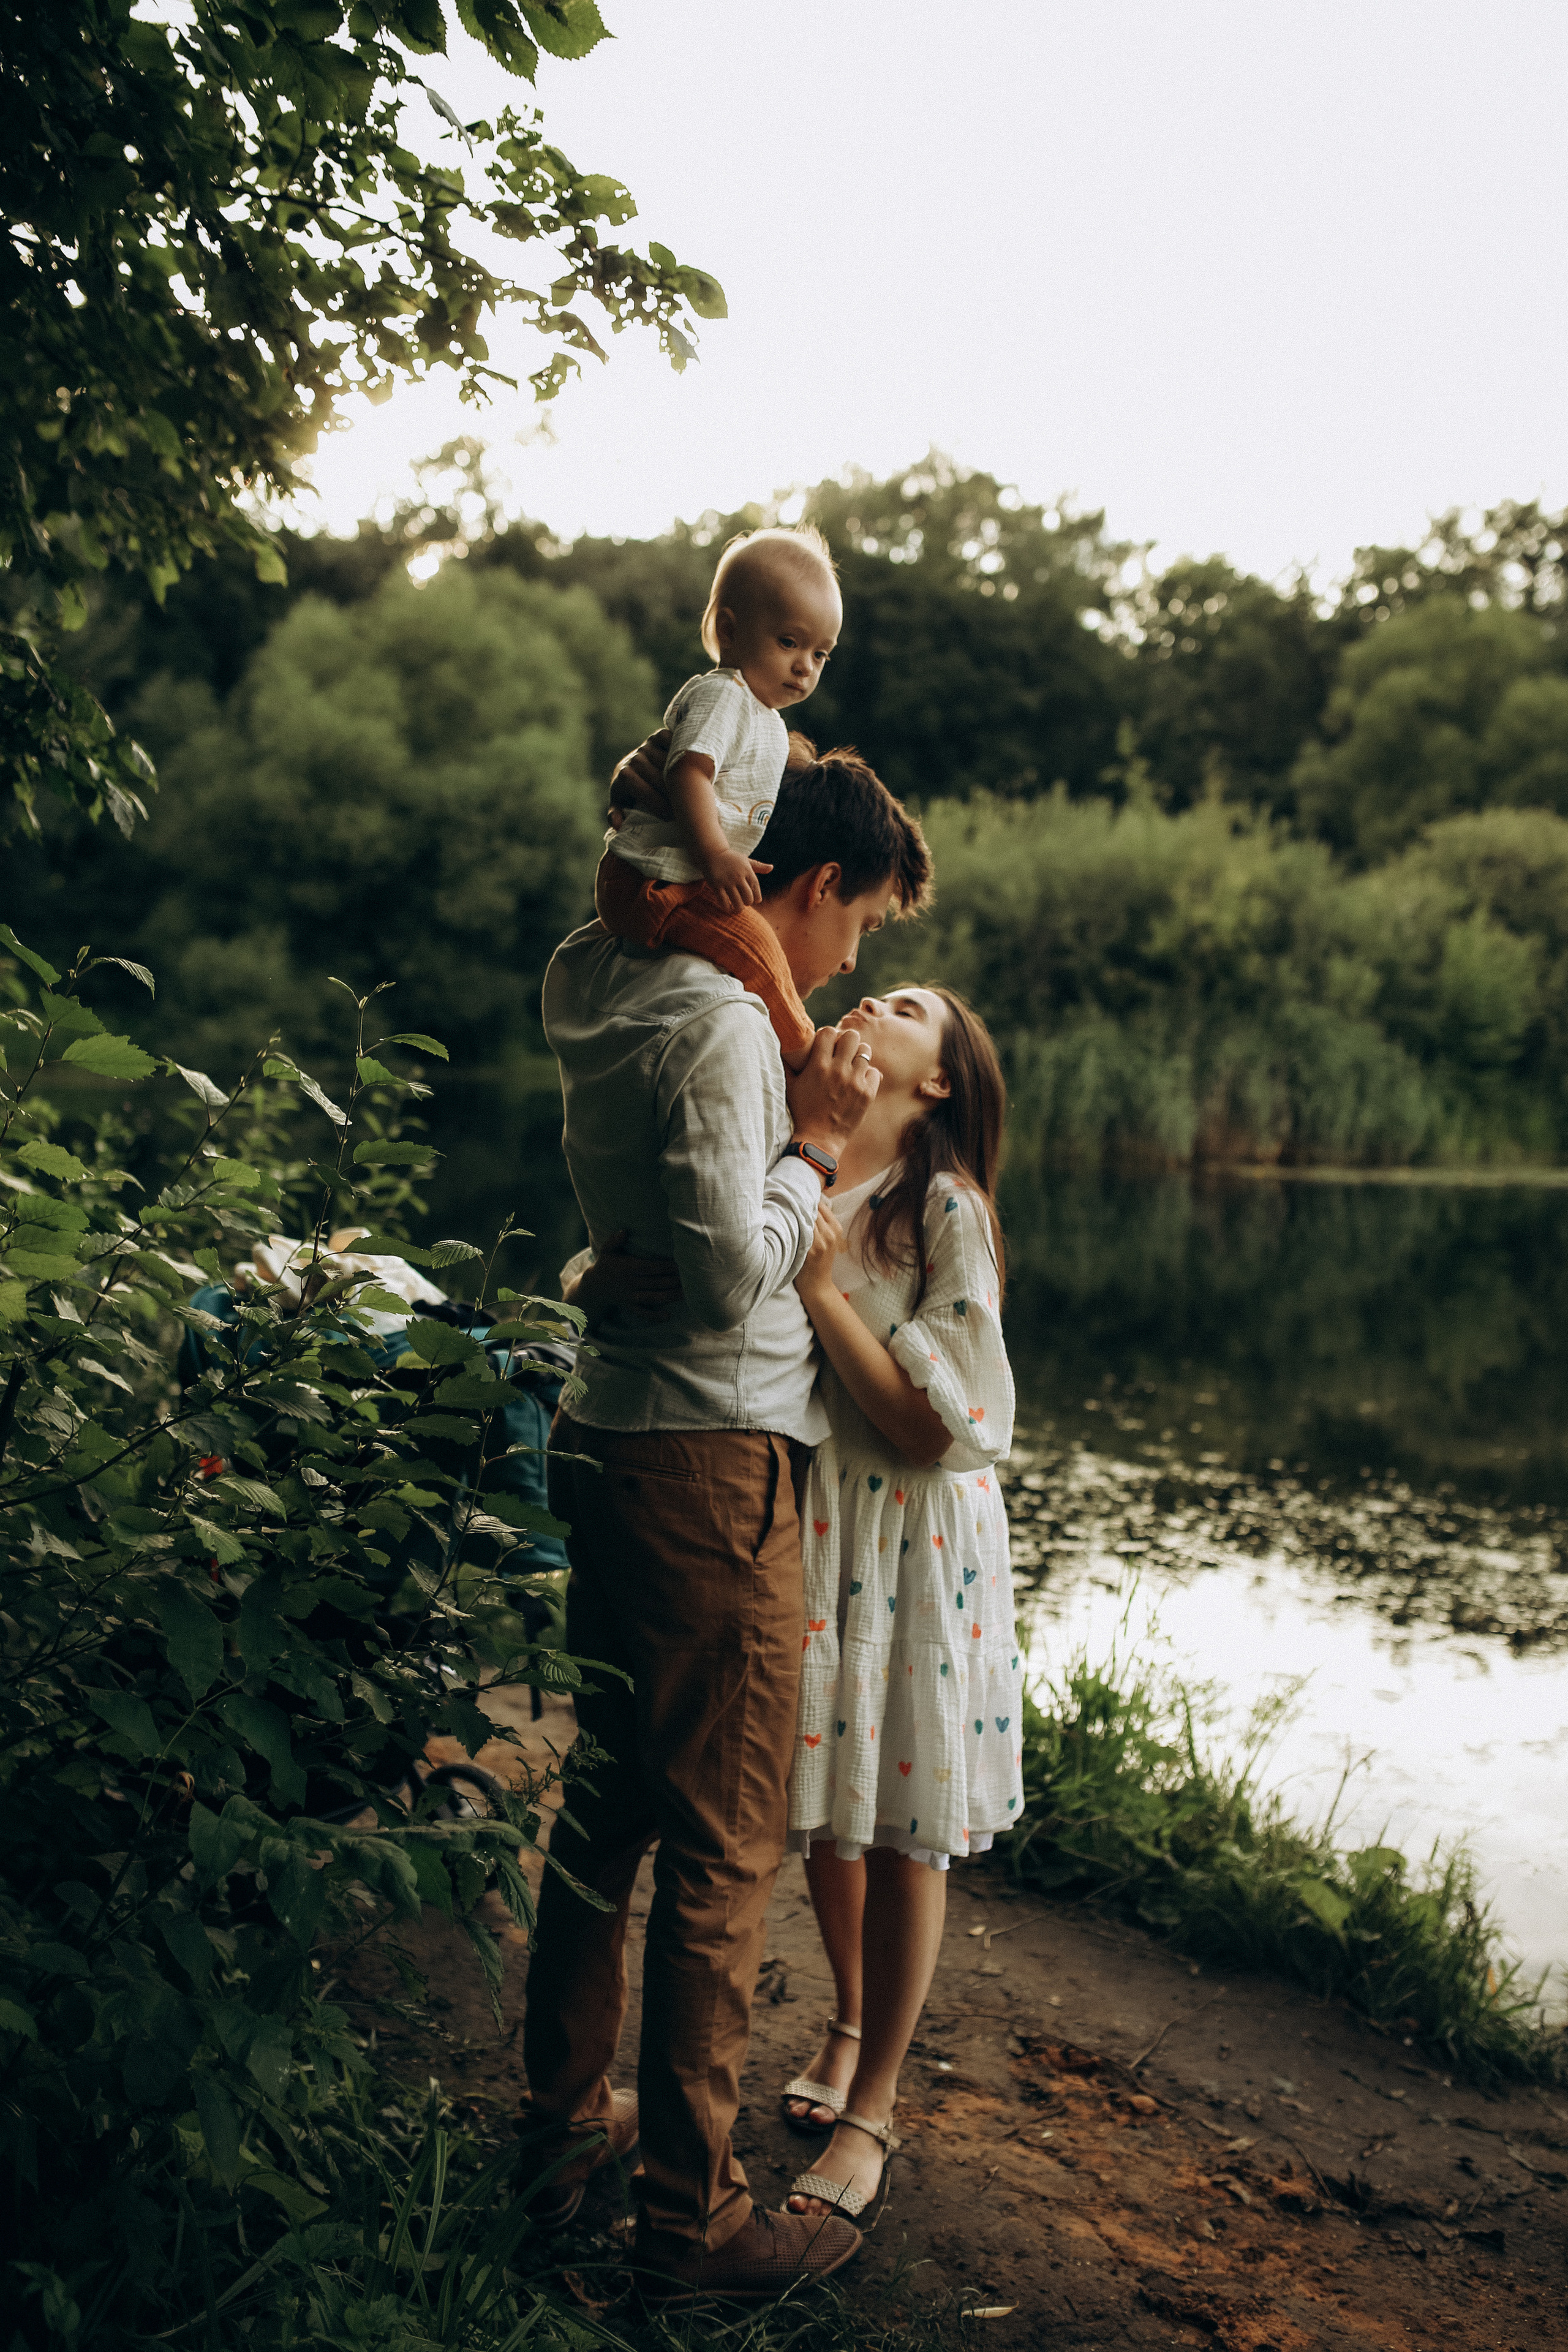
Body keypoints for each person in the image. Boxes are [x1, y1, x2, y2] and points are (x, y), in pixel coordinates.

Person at [520, 752, 933, 2304]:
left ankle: (562, 2141)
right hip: (704, 1466)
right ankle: (689, 2227)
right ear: (810, 887)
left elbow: (653, 1216)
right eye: (861, 926)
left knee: (607, 1809)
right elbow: (721, 1276)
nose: (847, 963)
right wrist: (813, 1144)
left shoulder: (601, 971)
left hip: (613, 1437)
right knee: (720, 1847)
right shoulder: (720, 1024)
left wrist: (587, 1268)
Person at [778, 984, 1021, 2222]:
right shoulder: (806, 1162)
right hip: (825, 1522)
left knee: (901, 1824)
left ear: (937, 1080)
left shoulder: (944, 1209)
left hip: (915, 1536)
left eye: (912, 1005)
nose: (876, 995)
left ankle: (874, 2105)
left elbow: (936, 1431)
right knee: (832, 1809)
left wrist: (825, 1292)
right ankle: (847, 2018)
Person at [594, 525, 842, 1067]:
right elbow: (690, 772)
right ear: (729, 631)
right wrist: (718, 857)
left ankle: (784, 1049)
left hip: (675, 879)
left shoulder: (767, 721)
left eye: (821, 654)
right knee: (755, 947)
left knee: (750, 946)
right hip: (655, 880)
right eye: (790, 642)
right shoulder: (725, 696)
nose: (806, 666)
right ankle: (802, 1054)